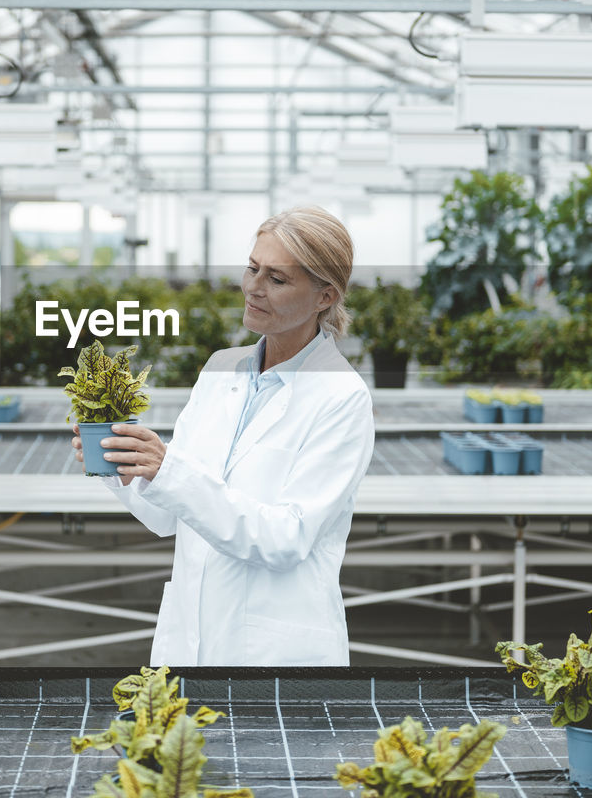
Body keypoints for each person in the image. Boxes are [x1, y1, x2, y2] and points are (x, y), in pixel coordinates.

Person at [70, 206, 375, 666]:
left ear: (324, 296)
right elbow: (167, 516)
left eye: (277, 279)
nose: (254, 287)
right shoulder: (221, 368)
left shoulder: (342, 397)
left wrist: (168, 468)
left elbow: (284, 537)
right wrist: (121, 460)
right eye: (253, 268)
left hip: (275, 652)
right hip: (189, 640)